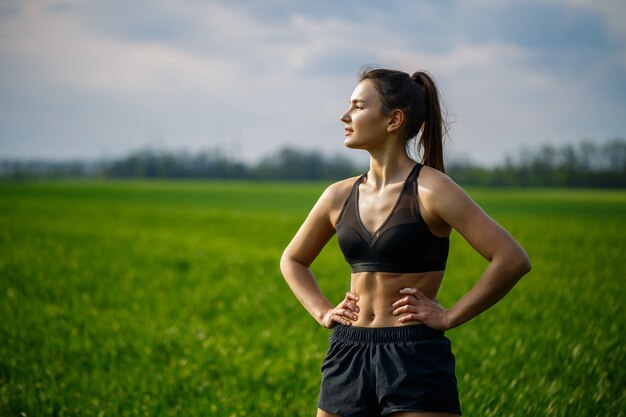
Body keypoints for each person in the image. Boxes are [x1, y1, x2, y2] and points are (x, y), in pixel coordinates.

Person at [280, 68, 531, 417]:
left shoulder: (433, 190)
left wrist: (449, 316)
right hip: (347, 352)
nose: (344, 115)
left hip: (412, 357)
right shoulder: (337, 195)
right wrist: (322, 311)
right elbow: (292, 260)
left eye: (358, 105)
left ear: (393, 119)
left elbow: (512, 259)